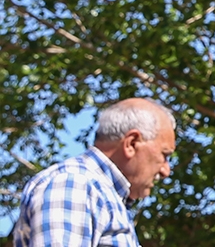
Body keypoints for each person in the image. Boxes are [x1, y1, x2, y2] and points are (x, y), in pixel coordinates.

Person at [13, 98, 177, 247]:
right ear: (131, 143)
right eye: (164, 155)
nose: (165, 170)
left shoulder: (102, 195)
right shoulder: (75, 183)